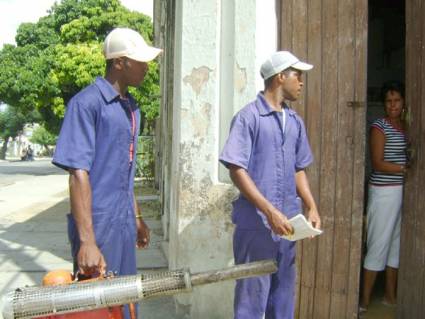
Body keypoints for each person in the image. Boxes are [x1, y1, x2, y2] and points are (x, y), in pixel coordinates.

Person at [52, 27, 161, 319]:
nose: (146, 67)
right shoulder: (87, 104)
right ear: (119, 62)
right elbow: (78, 174)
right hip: (97, 224)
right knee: (96, 308)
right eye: (140, 61)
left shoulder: (131, 108)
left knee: (125, 298)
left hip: (122, 221)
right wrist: (87, 241)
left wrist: (136, 216)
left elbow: (123, 170)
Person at [219, 51, 321, 319]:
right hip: (257, 227)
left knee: (283, 299)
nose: (301, 82)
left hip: (288, 226)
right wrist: (268, 210)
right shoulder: (248, 118)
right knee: (251, 303)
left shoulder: (295, 122)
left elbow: (299, 168)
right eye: (297, 75)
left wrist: (311, 206)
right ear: (280, 77)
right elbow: (236, 169)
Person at [360, 81, 408, 312]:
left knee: (395, 247)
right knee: (378, 245)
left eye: (397, 100)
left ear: (404, 102)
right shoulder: (380, 126)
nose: (392, 105)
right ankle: (363, 303)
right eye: (388, 101)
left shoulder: (406, 126)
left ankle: (390, 297)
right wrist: (404, 169)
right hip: (384, 192)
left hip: (401, 192)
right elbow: (378, 163)